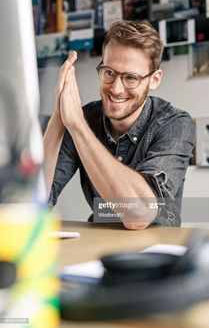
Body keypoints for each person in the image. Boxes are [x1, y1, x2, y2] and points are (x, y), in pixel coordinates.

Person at [44, 20, 195, 230]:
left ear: (155, 79)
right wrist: (59, 116)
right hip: (96, 246)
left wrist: (77, 125)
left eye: (131, 78)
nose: (115, 88)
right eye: (109, 73)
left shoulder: (175, 124)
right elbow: (30, 205)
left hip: (157, 250)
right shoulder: (83, 118)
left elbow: (138, 214)